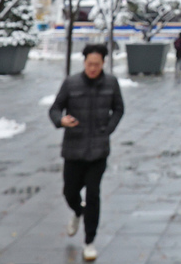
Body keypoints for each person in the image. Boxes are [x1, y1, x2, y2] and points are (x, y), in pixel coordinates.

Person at [49, 42, 124, 261]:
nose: (93, 68)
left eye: (97, 64)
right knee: (69, 193)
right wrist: (60, 120)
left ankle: (89, 241)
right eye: (89, 64)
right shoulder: (71, 83)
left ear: (103, 63)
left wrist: (108, 129)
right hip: (73, 149)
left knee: (93, 195)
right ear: (84, 62)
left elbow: (119, 108)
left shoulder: (111, 83)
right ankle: (77, 212)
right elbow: (55, 108)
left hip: (98, 151)